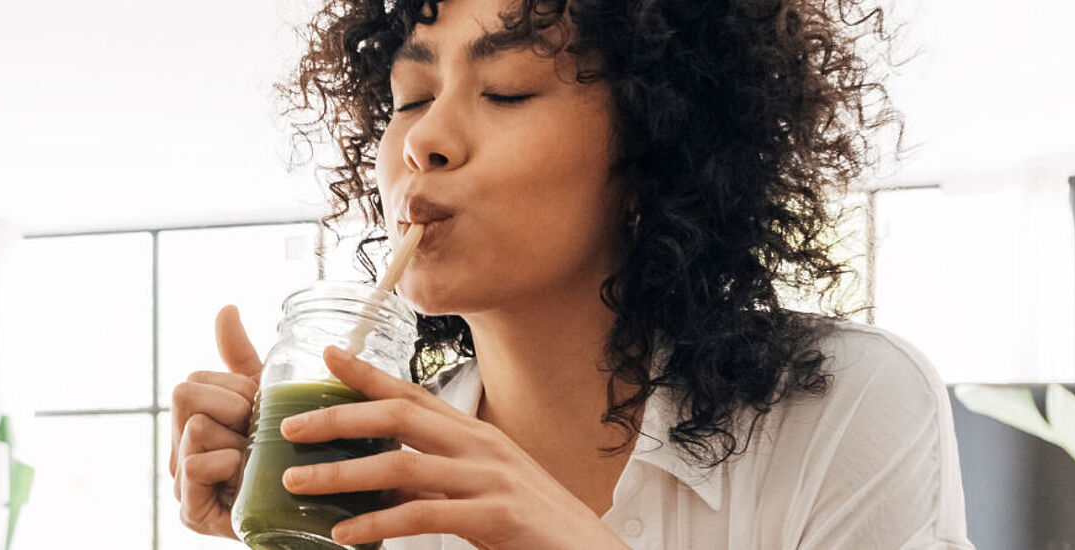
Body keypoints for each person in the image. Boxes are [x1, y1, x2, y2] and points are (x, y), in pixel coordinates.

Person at [171, 0, 974, 547]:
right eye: (411, 97)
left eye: (507, 91)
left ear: (654, 146)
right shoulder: (380, 481)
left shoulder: (846, 404)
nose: (426, 142)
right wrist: (285, 525)